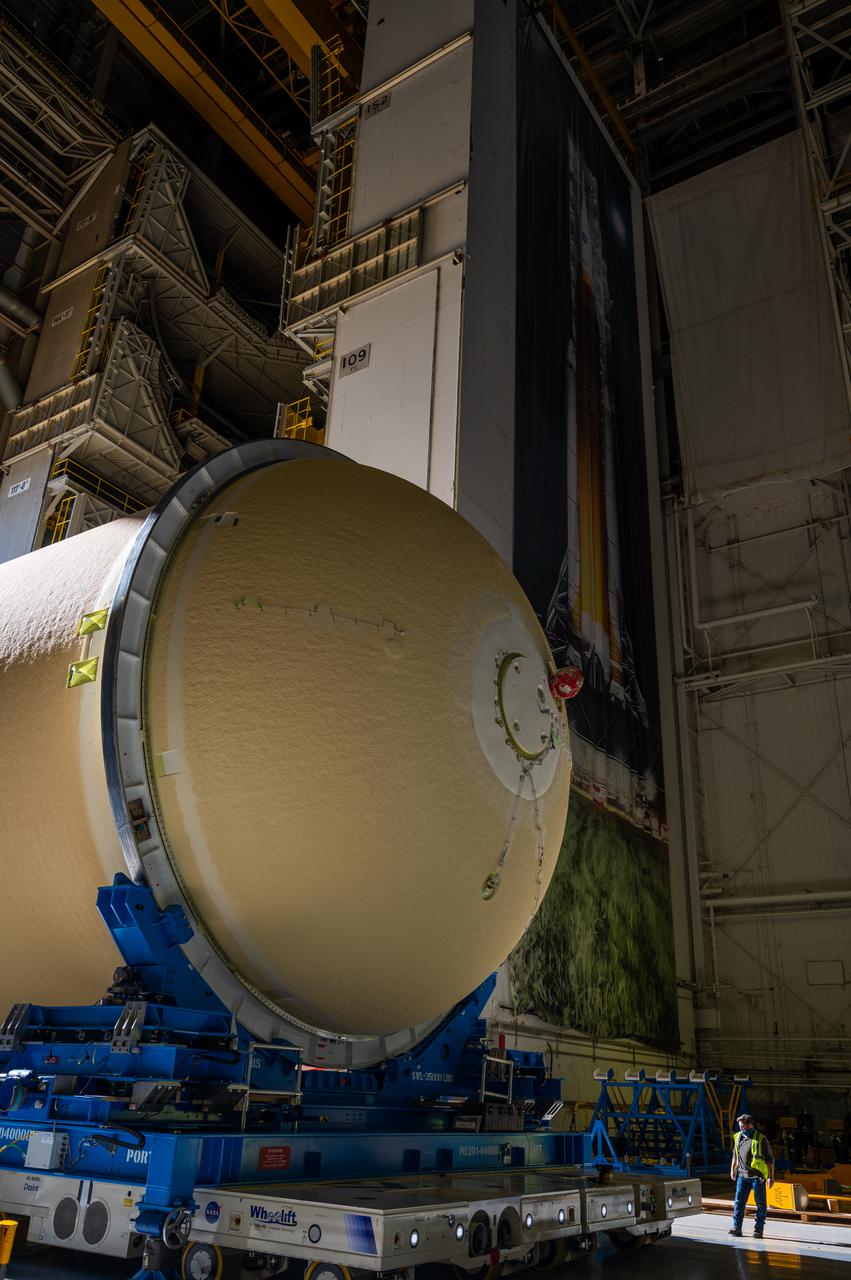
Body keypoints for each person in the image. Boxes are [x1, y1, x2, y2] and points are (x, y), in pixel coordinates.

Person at [729, 1112, 775, 1239]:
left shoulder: (761, 1139)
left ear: (749, 1125)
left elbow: (769, 1160)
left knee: (760, 1204)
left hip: (757, 1177)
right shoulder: (738, 1137)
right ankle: (737, 1228)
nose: (740, 1128)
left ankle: (758, 1230)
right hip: (742, 1176)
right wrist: (733, 1170)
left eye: (742, 1125)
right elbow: (735, 1155)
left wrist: (771, 1176)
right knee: (739, 1203)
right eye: (739, 1125)